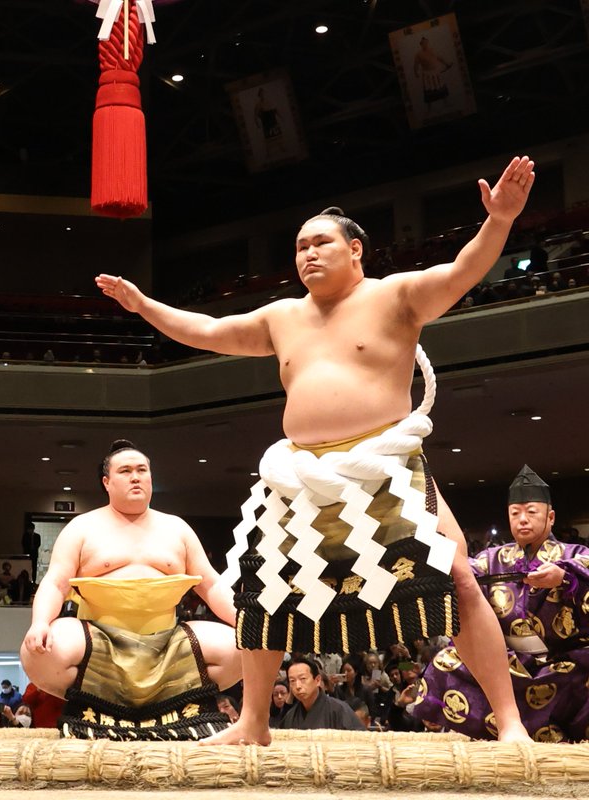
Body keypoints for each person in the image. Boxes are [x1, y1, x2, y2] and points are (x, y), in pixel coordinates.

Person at [96, 156, 536, 745]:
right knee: (262, 590)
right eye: (300, 246)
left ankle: (510, 721)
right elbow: (208, 331)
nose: (308, 253)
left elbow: (463, 270)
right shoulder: (283, 317)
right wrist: (145, 307)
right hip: (300, 475)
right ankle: (253, 722)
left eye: (321, 242)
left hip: (384, 466)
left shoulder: (396, 296)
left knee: (457, 576)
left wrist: (499, 221)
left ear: (356, 250)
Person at [20, 439, 241, 740]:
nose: (135, 477)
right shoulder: (82, 528)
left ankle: (167, 702)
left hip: (168, 643)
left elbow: (211, 584)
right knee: (40, 652)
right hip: (98, 641)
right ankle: (102, 702)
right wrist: (40, 623)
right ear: (106, 482)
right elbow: (56, 582)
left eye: (142, 470)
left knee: (241, 647)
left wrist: (244, 623)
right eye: (125, 471)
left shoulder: (177, 528)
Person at [415, 466, 589, 741]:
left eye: (531, 512)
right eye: (515, 513)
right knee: (447, 660)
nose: (522, 520)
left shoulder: (576, 554)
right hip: (509, 665)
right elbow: (462, 580)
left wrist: (564, 578)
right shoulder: (490, 559)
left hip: (563, 664)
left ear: (551, 517)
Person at [277, 657, 363, 731]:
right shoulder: (291, 716)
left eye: (303, 679)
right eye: (292, 681)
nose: (297, 686)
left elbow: (360, 740)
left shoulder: (339, 710)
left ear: (317, 680)